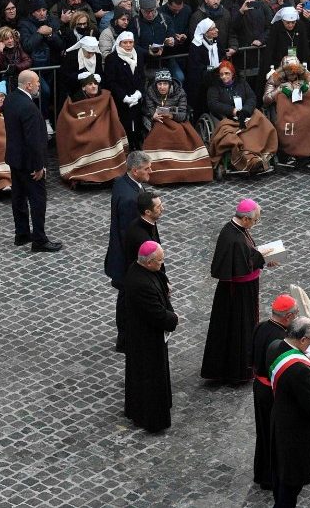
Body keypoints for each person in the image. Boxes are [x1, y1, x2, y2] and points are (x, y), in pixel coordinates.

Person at [201, 199, 272, 383]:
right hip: (239, 294)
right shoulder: (234, 238)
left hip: (240, 290)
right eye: (255, 220)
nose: (255, 224)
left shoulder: (236, 230)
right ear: (246, 219)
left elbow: (247, 257)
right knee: (239, 329)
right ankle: (237, 371)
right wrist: (262, 258)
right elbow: (243, 266)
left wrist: (262, 258)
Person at [266, 316, 310, 507]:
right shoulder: (301, 370)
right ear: (302, 340)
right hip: (296, 434)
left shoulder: (274, 347)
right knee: (291, 485)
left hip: (279, 421)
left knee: (280, 476)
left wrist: (303, 358)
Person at [122, 241, 179, 433]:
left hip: (143, 334)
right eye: (160, 260)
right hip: (146, 339)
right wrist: (174, 318)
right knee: (150, 378)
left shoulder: (138, 270)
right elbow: (156, 313)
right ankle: (152, 418)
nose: (162, 264)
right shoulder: (141, 284)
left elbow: (159, 280)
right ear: (148, 262)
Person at [6, 70, 62, 252]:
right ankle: (39, 239)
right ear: (28, 85)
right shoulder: (28, 107)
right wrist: (40, 167)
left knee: (19, 198)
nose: (39, 85)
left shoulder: (11, 99)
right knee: (38, 200)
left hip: (15, 159)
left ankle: (21, 234)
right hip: (30, 163)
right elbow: (33, 141)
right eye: (37, 82)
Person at [106, 151, 152, 351]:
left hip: (122, 255)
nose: (151, 171)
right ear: (135, 170)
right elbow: (130, 235)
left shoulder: (122, 183)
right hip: (128, 259)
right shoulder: (130, 200)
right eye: (147, 169)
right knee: (126, 298)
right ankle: (125, 339)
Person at [251, 294, 297, 490]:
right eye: (296, 314)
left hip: (259, 387)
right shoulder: (281, 340)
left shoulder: (261, 326)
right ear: (287, 317)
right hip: (272, 392)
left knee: (263, 433)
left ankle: (262, 473)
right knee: (274, 435)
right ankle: (271, 477)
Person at [103, 31, 147, 150]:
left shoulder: (138, 55)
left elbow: (142, 77)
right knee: (124, 123)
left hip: (135, 97)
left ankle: (136, 145)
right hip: (120, 99)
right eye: (125, 43)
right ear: (119, 43)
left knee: (137, 122)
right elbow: (111, 81)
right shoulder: (112, 59)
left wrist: (138, 93)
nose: (128, 45)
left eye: (130, 42)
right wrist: (124, 97)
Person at [123, 190, 164, 272]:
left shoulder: (149, 222)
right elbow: (151, 265)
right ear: (148, 212)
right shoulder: (141, 238)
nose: (162, 209)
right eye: (158, 207)